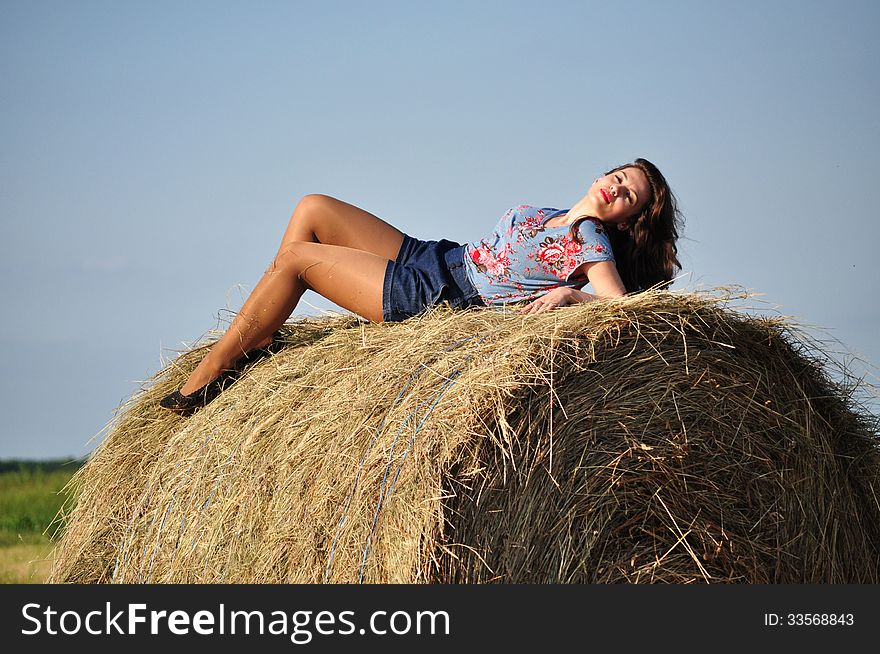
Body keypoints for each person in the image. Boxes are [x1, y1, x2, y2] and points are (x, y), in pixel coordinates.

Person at [160, 157, 682, 415]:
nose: (616, 186)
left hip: (444, 297)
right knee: (313, 207)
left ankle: (219, 367)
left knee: (298, 260)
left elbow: (623, 310)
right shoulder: (551, 214)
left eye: (629, 193)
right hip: (437, 257)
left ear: (626, 217)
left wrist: (572, 296)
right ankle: (262, 334)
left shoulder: (591, 242)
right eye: (618, 175)